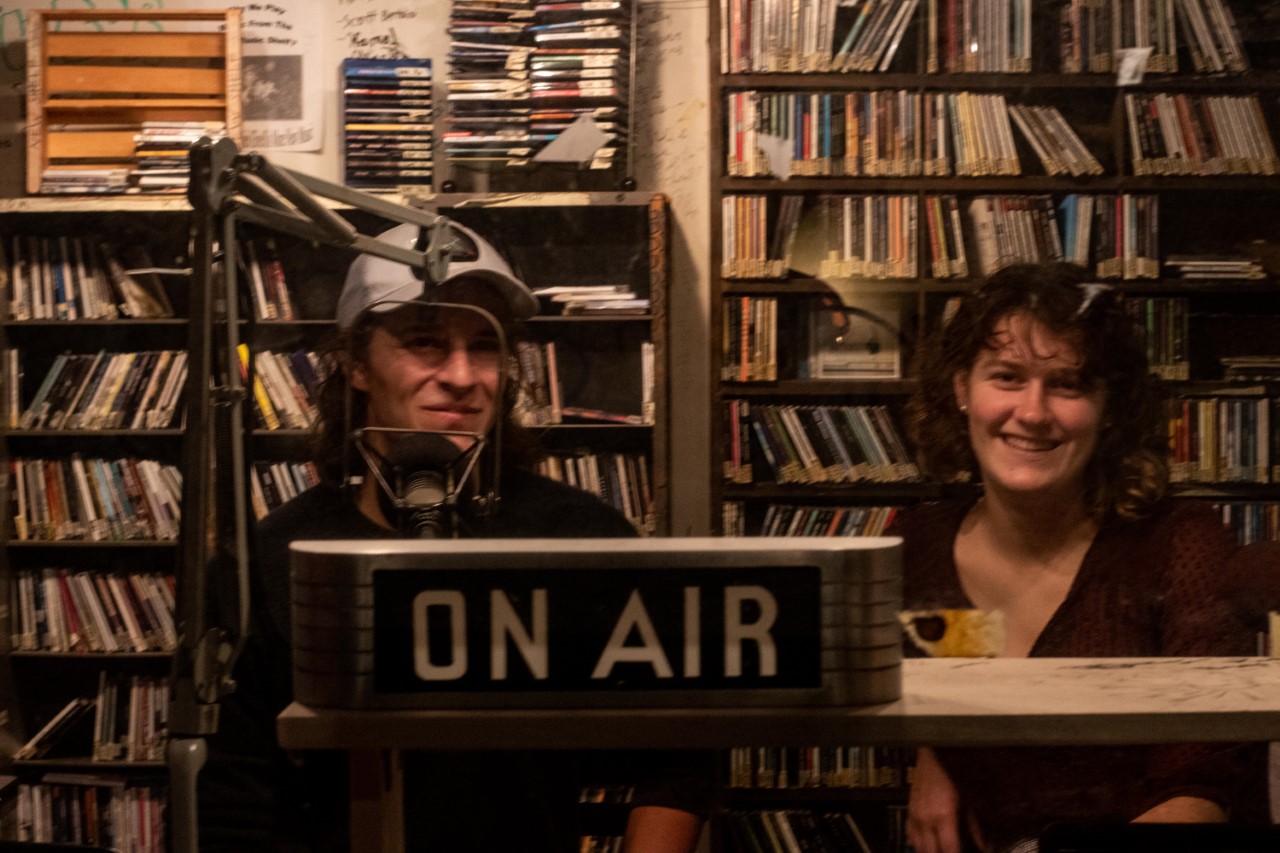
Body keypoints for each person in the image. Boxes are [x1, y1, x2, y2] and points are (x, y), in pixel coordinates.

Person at [197, 220, 653, 852]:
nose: (463, 377)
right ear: (356, 364)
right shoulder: (277, 558)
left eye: (484, 347)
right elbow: (232, 795)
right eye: (425, 343)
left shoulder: (582, 537)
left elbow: (679, 755)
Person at [897, 262, 1267, 853]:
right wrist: (935, 751)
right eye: (1007, 377)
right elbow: (963, 662)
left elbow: (1201, 786)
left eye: (1067, 384)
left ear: (1109, 406)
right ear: (962, 388)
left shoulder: (1179, 544)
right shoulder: (925, 543)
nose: (1034, 411)